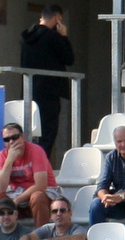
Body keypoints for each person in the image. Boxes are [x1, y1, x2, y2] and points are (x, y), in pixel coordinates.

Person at [20, 6, 74, 154]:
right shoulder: (53, 37)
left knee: (30, 131)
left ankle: (30, 164)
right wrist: (64, 36)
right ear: (57, 19)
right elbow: (69, 59)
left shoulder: (26, 36)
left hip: (29, 89)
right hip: (49, 91)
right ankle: (41, 165)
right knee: (48, 132)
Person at [0, 122, 55, 227]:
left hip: (41, 195)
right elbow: (0, 188)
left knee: (37, 196)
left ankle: (41, 238)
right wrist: (9, 160)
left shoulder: (36, 150)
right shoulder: (2, 155)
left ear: (22, 136)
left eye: (15, 137)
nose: (11, 142)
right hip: (16, 196)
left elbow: (41, 185)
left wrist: (17, 200)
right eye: (7, 139)